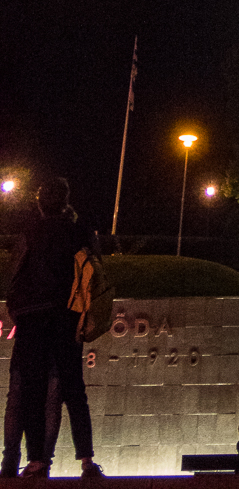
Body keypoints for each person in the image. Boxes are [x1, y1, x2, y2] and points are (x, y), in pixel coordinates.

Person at [5, 178, 105, 478]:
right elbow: (95, 271)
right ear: (66, 201)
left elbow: (15, 275)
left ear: (39, 203)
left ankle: (35, 461)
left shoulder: (28, 233)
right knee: (74, 390)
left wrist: (18, 312)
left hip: (32, 318)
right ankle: (87, 461)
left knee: (33, 391)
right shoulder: (80, 232)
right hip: (67, 316)